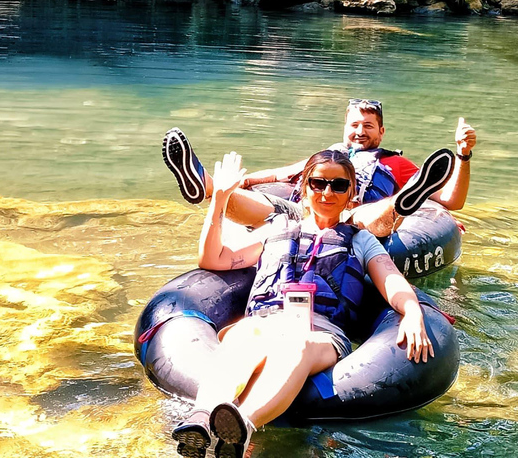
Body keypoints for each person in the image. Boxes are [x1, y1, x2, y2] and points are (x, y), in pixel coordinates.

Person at [171, 150, 436, 458]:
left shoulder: (360, 240)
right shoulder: (275, 229)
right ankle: (201, 420)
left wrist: (413, 311)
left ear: (352, 193)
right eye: (318, 183)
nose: (327, 192)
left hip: (320, 332)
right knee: (244, 335)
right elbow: (212, 258)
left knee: (297, 346)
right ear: (305, 188)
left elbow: (390, 279)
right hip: (266, 319)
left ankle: (241, 427)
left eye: (338, 185)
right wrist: (220, 198)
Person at [162, 99, 477, 237]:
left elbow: (453, 202)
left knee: (363, 219)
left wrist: (463, 157)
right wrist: (237, 182)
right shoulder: (327, 157)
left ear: (382, 133)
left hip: (352, 217)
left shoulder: (395, 163)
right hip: (304, 213)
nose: (360, 131)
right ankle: (204, 184)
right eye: (354, 124)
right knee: (267, 207)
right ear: (344, 128)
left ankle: (407, 200)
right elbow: (279, 176)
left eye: (369, 126)